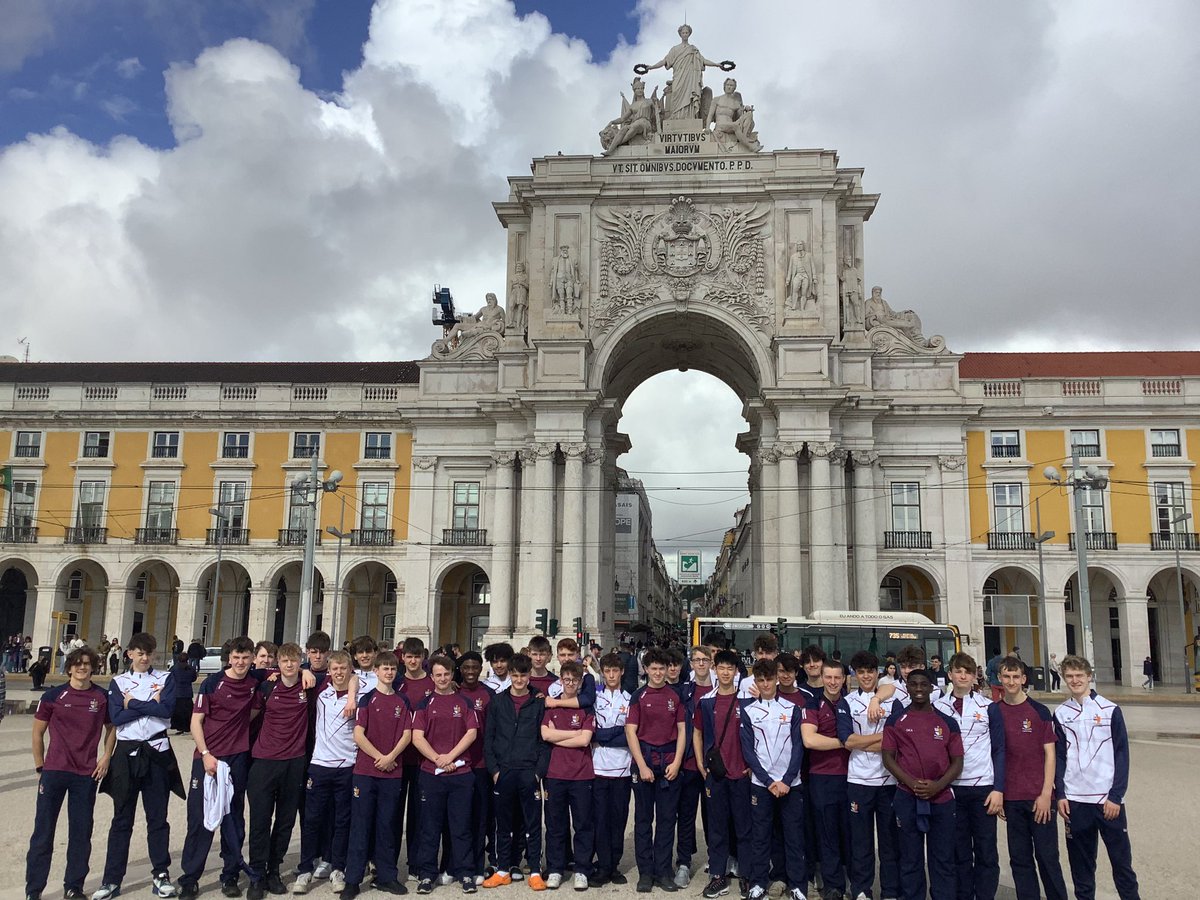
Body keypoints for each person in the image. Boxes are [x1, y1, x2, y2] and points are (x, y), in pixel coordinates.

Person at [93, 632, 185, 900]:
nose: (145, 658)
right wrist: (148, 706)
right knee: (122, 818)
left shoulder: (165, 678)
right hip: (127, 753)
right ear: (129, 654)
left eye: (149, 653)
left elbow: (167, 711)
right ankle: (111, 879)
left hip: (157, 751)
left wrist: (131, 702)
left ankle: (161, 874)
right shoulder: (118, 681)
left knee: (158, 818)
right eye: (140, 653)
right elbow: (116, 716)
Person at [26, 645, 115, 900]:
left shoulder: (101, 697)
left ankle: (73, 886)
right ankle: (34, 890)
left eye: (87, 663)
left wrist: (106, 756)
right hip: (54, 771)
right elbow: (37, 732)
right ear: (69, 667)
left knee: (81, 832)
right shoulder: (54, 696)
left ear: (93, 667)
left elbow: (112, 729)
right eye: (78, 663)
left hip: (85, 773)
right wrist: (40, 765)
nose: (82, 667)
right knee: (43, 833)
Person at [178, 636, 260, 898]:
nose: (240, 662)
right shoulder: (213, 683)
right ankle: (190, 877)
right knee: (199, 818)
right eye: (236, 658)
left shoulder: (253, 683)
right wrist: (205, 754)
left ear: (252, 659)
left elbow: (253, 712)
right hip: (208, 757)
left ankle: (230, 874)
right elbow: (196, 722)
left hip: (237, 758)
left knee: (233, 817)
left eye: (245, 658)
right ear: (229, 658)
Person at [1053, 655, 1141, 900]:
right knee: (1081, 869)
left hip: (1107, 801)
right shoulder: (1060, 713)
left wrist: (1116, 795)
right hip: (1075, 801)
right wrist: (1060, 794)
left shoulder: (1110, 709)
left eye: (1079, 675)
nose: (1075, 680)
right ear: (1064, 679)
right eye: (1069, 676)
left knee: (1122, 865)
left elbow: (1122, 753)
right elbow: (1060, 757)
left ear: (1089, 676)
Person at [988, 656, 1068, 900]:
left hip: (1039, 797)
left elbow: (1050, 755)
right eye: (1006, 677)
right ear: (1000, 679)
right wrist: (998, 791)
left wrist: (1046, 794)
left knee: (1047, 857)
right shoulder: (993, 711)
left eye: (1016, 677)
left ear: (1023, 679)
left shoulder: (1040, 712)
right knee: (1020, 860)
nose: (1011, 681)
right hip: (1012, 797)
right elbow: (993, 754)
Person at [881, 670, 963, 900]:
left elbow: (957, 762)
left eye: (923, 684)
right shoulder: (896, 720)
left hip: (942, 798)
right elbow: (888, 758)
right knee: (910, 858)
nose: (918, 688)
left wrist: (937, 786)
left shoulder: (946, 722)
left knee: (943, 858)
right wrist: (912, 783)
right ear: (907, 687)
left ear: (931, 688)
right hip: (907, 796)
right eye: (914, 684)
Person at [342, 651, 411, 899]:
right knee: (360, 826)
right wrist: (379, 757)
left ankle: (386, 877)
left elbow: (407, 734)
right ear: (376, 671)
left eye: (393, 669)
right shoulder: (367, 699)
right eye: (385, 669)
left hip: (392, 772)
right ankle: (353, 880)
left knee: (387, 825)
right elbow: (358, 735)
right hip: (366, 771)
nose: (389, 673)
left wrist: (391, 756)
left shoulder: (402, 701)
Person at [933, 652, 1001, 900]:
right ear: (950, 674)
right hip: (951, 788)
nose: (963, 676)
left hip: (983, 787)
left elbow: (999, 749)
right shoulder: (938, 707)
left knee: (985, 850)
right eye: (958, 671)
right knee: (959, 850)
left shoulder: (988, 707)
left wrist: (999, 788)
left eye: (968, 672)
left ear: (974, 677)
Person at [245, 643, 310, 898]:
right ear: (278, 664)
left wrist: (308, 671)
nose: (290, 665)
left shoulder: (308, 687)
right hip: (264, 761)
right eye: (285, 661)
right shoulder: (267, 687)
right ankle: (256, 874)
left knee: (285, 822)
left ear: (299, 662)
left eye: (294, 661)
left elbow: (345, 677)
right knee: (260, 821)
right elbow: (248, 718)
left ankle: (274, 870)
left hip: (294, 762)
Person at [739, 658, 806, 900]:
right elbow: (748, 752)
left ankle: (798, 885)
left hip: (791, 784)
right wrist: (768, 782)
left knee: (794, 836)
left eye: (769, 679)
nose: (766, 684)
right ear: (755, 682)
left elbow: (799, 747)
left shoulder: (792, 709)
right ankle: (758, 883)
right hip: (761, 784)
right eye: (761, 680)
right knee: (760, 836)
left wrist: (787, 780)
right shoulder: (747, 711)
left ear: (776, 680)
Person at [412, 655, 480, 894]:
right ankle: (427, 874)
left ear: (453, 675)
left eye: (446, 674)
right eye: (438, 675)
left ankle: (465, 873)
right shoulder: (424, 704)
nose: (442, 678)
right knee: (430, 827)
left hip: (460, 772)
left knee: (461, 827)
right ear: (432, 677)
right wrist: (437, 759)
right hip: (431, 773)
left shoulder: (464, 703)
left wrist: (450, 757)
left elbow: (471, 733)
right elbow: (417, 737)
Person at [483, 653, 550, 891]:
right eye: (515, 675)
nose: (519, 679)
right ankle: (502, 868)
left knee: (533, 824)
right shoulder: (498, 701)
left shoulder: (538, 701)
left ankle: (533, 869)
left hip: (528, 771)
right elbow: (488, 738)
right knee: (503, 823)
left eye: (523, 675)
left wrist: (538, 772)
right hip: (504, 771)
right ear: (509, 675)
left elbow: (544, 740)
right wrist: (494, 771)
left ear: (529, 675)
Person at [836, 651, 899, 900]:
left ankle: (891, 891)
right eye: (860, 672)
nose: (865, 676)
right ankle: (861, 890)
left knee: (889, 842)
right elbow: (847, 740)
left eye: (870, 671)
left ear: (877, 673)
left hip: (888, 780)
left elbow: (897, 738)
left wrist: (871, 741)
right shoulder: (846, 702)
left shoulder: (892, 701)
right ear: (854, 674)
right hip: (859, 781)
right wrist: (881, 740)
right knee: (861, 842)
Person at [294, 650, 357, 894]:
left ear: (349, 670)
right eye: (335, 669)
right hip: (320, 764)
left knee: (342, 820)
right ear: (328, 671)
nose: (339, 673)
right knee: (312, 819)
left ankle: (337, 867)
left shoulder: (359, 693)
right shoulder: (321, 692)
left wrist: (352, 696)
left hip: (346, 765)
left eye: (344, 668)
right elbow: (288, 669)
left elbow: (356, 680)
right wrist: (304, 668)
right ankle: (305, 868)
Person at [625, 646, 687, 893]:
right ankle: (645, 873)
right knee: (642, 821)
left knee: (666, 821)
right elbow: (631, 731)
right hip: (645, 762)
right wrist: (641, 765)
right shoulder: (638, 696)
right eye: (654, 668)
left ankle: (663, 871)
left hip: (670, 763)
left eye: (662, 668)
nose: (659, 672)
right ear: (647, 670)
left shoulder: (676, 695)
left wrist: (677, 762)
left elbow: (683, 729)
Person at [694, 649, 750, 899]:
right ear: (715, 669)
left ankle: (748, 875)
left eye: (730, 668)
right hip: (715, 775)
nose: (726, 672)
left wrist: (752, 765)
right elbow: (696, 733)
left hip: (741, 774)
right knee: (717, 828)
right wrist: (699, 763)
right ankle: (718, 875)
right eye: (722, 668)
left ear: (736, 671)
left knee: (744, 827)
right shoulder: (706, 702)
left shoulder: (746, 702)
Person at [541, 660, 595, 891]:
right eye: (566, 679)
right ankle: (555, 868)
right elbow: (545, 735)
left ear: (580, 682)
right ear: (560, 680)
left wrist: (558, 735)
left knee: (583, 824)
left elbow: (585, 739)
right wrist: (572, 734)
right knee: (555, 824)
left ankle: (582, 868)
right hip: (556, 773)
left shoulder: (586, 708)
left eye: (575, 680)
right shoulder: (551, 707)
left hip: (582, 773)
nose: (570, 683)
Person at [801, 661, 851, 900]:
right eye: (828, 677)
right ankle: (833, 886)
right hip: (822, 777)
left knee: (851, 834)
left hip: (853, 777)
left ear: (844, 679)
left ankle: (855, 883)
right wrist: (848, 742)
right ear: (821, 677)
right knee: (828, 833)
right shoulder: (812, 704)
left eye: (837, 678)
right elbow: (810, 740)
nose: (832, 682)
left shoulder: (851, 702)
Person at [591, 653, 634, 887]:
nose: (611, 675)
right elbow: (592, 732)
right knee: (600, 819)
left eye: (615, 671)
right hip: (598, 767)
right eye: (607, 671)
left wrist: (606, 736)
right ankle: (603, 865)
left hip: (622, 769)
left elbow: (629, 735)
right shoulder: (594, 699)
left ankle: (614, 865)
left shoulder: (630, 699)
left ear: (622, 672)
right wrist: (611, 734)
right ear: (602, 673)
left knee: (618, 819)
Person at [456, 652, 497, 883]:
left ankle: (478, 865)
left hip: (481, 763)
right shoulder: (453, 691)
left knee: (481, 817)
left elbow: (492, 731)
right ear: (460, 669)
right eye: (466, 667)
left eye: (475, 667)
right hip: (458, 764)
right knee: (459, 817)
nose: (470, 672)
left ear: (481, 668)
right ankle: (456, 863)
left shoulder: (488, 695)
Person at [398, 637, 435, 881]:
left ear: (423, 658)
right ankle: (386, 864)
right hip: (399, 759)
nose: (413, 661)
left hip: (423, 760)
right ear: (403, 658)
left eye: (417, 656)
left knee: (419, 815)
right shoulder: (396, 683)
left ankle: (416, 864)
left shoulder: (433, 684)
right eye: (409, 657)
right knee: (392, 813)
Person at [636, 24, 725, 121]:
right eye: (683, 33)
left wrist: (717, 64)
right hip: (679, 77)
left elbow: (703, 61)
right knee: (676, 96)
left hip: (690, 77)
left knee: (690, 97)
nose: (685, 34)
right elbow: (664, 61)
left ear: (689, 34)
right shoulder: (675, 49)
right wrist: (651, 67)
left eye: (687, 33)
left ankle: (690, 117)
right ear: (680, 34)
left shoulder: (693, 49)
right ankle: (676, 117)